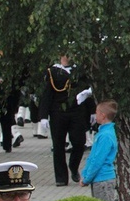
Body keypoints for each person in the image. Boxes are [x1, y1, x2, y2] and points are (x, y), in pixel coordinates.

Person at [38, 54, 95, 186]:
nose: (69, 56)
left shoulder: (79, 71)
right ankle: (61, 178)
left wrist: (92, 111)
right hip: (58, 112)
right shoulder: (52, 72)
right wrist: (43, 116)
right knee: (58, 145)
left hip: (77, 111)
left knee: (79, 143)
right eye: (65, 54)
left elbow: (87, 91)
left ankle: (73, 167)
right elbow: (47, 95)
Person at [80, 100, 119, 201]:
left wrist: (86, 178)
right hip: (99, 179)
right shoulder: (103, 133)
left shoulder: (105, 136)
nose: (95, 115)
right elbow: (92, 157)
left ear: (103, 115)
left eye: (96, 112)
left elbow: (98, 160)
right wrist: (84, 173)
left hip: (103, 179)